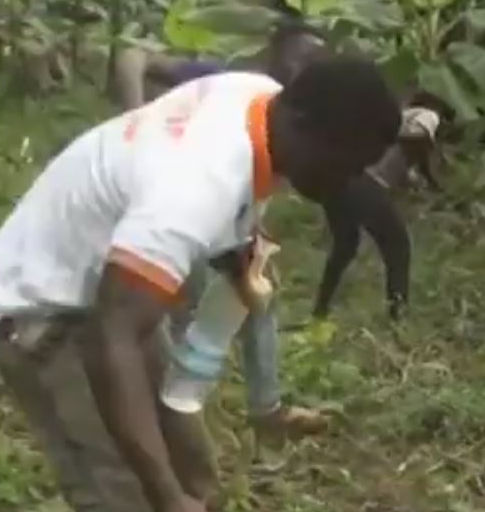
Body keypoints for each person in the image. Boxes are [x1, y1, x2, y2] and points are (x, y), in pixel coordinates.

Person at [0, 53, 399, 512]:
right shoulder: (193, 188)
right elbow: (113, 337)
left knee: (191, 467)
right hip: (43, 314)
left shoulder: (263, 100)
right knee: (122, 510)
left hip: (113, 295)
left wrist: (240, 258)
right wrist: (162, 498)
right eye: (348, 162)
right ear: (308, 126)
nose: (352, 181)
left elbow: (135, 308)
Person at [114, 23, 330, 441]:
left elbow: (248, 190)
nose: (303, 69)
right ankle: (171, 416)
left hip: (217, 216)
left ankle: (266, 411)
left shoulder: (288, 121)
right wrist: (135, 117)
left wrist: (252, 248)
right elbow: (131, 56)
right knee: (183, 302)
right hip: (169, 204)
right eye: (298, 58)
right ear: (274, 56)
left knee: (257, 297)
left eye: (313, 63)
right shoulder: (223, 83)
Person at [313, 90, 454, 320]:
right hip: (365, 182)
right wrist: (430, 171)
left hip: (337, 181)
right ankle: (398, 313)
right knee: (398, 245)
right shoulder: (428, 114)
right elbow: (417, 137)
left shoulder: (395, 116)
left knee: (345, 246)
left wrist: (427, 181)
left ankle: (320, 309)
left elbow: (405, 155)